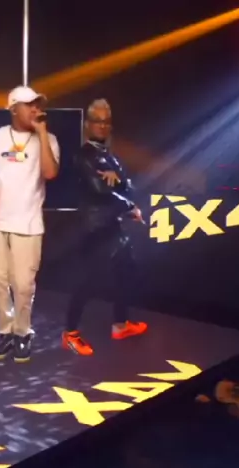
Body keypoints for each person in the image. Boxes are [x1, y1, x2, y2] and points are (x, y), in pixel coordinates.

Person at [0, 86, 60, 363]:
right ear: (14, 108)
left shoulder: (48, 139)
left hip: (29, 224)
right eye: (29, 105)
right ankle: (5, 331)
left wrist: (42, 132)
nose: (35, 109)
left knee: (24, 285)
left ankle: (22, 332)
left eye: (38, 105)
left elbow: (50, 173)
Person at [62, 98, 147, 356]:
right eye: (97, 121)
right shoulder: (84, 155)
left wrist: (118, 180)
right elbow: (100, 189)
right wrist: (129, 206)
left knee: (126, 272)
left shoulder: (109, 156)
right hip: (94, 227)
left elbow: (129, 186)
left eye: (106, 122)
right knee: (89, 280)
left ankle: (120, 325)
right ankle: (70, 334)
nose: (102, 126)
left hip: (113, 225)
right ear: (88, 124)